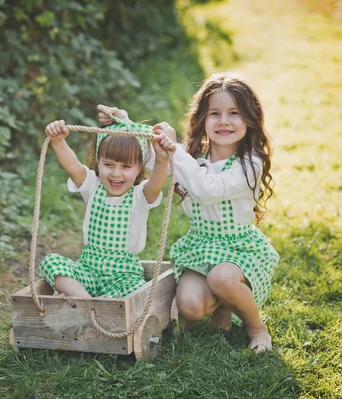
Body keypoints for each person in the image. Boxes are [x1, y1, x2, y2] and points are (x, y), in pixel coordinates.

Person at [97, 72, 280, 353]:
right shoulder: (194, 158)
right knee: (190, 307)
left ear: (249, 118)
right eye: (214, 113)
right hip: (202, 245)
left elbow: (208, 189)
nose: (224, 121)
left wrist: (176, 152)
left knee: (221, 278)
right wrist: (125, 123)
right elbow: (149, 158)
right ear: (202, 120)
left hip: (238, 247)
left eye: (234, 113)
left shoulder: (249, 163)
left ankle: (256, 328)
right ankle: (222, 311)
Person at [39, 114, 176, 300]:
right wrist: (58, 141)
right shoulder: (92, 187)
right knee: (50, 262)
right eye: (108, 164)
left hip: (123, 276)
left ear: (138, 169)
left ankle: (92, 302)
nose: (116, 174)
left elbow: (156, 183)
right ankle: (89, 303)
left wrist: (161, 159)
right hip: (88, 271)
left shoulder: (139, 197)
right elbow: (72, 166)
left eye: (126, 166)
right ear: (99, 162)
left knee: (136, 289)